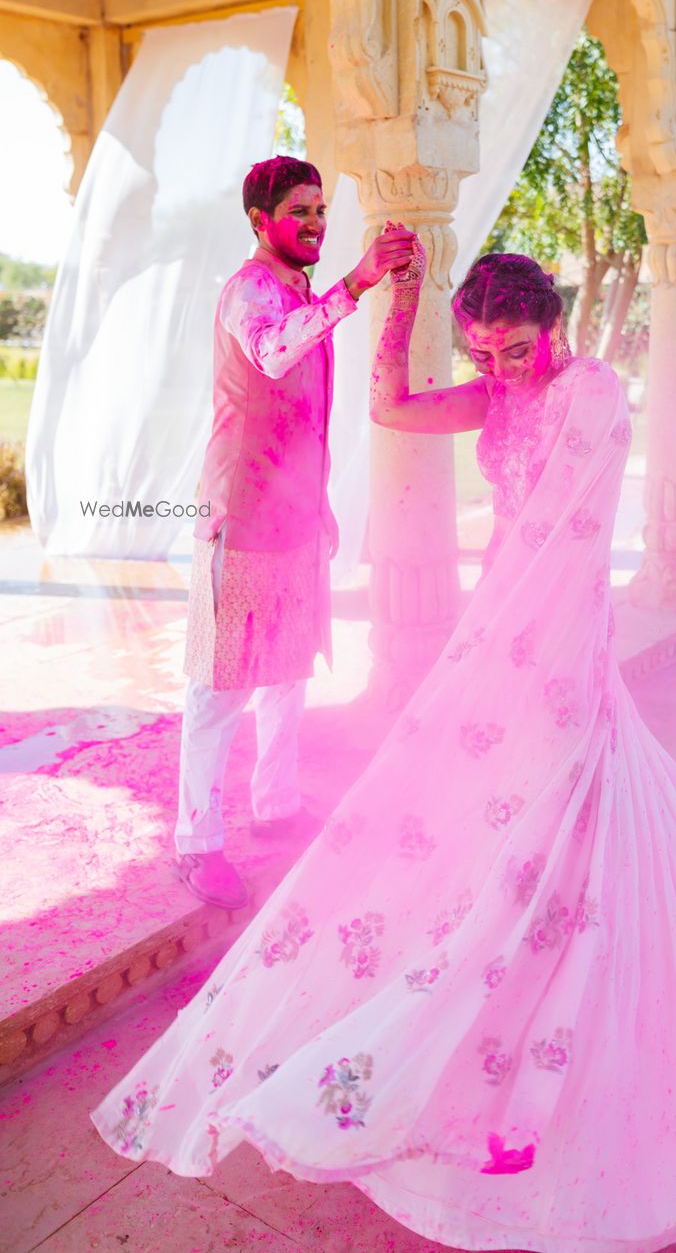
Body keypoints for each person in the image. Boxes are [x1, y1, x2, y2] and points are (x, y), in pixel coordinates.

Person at [92, 250, 676, 1252]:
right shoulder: (497, 393)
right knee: (491, 818)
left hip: (553, 638)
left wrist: (493, 658)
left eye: (515, 346)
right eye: (482, 350)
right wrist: (407, 303)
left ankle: (530, 1019)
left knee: (549, 814)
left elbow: (566, 537)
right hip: (501, 628)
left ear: (552, 326)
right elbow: (388, 408)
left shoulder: (592, 393)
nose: (501, 367)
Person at [174, 155, 416, 909]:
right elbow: (276, 355)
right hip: (241, 518)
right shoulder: (249, 291)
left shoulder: (299, 289)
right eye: (299, 211)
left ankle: (275, 805)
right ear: (259, 221)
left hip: (296, 515)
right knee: (221, 688)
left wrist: (321, 501)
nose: (314, 223)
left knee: (287, 673)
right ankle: (196, 842)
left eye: (319, 210)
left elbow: (303, 411)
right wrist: (359, 282)